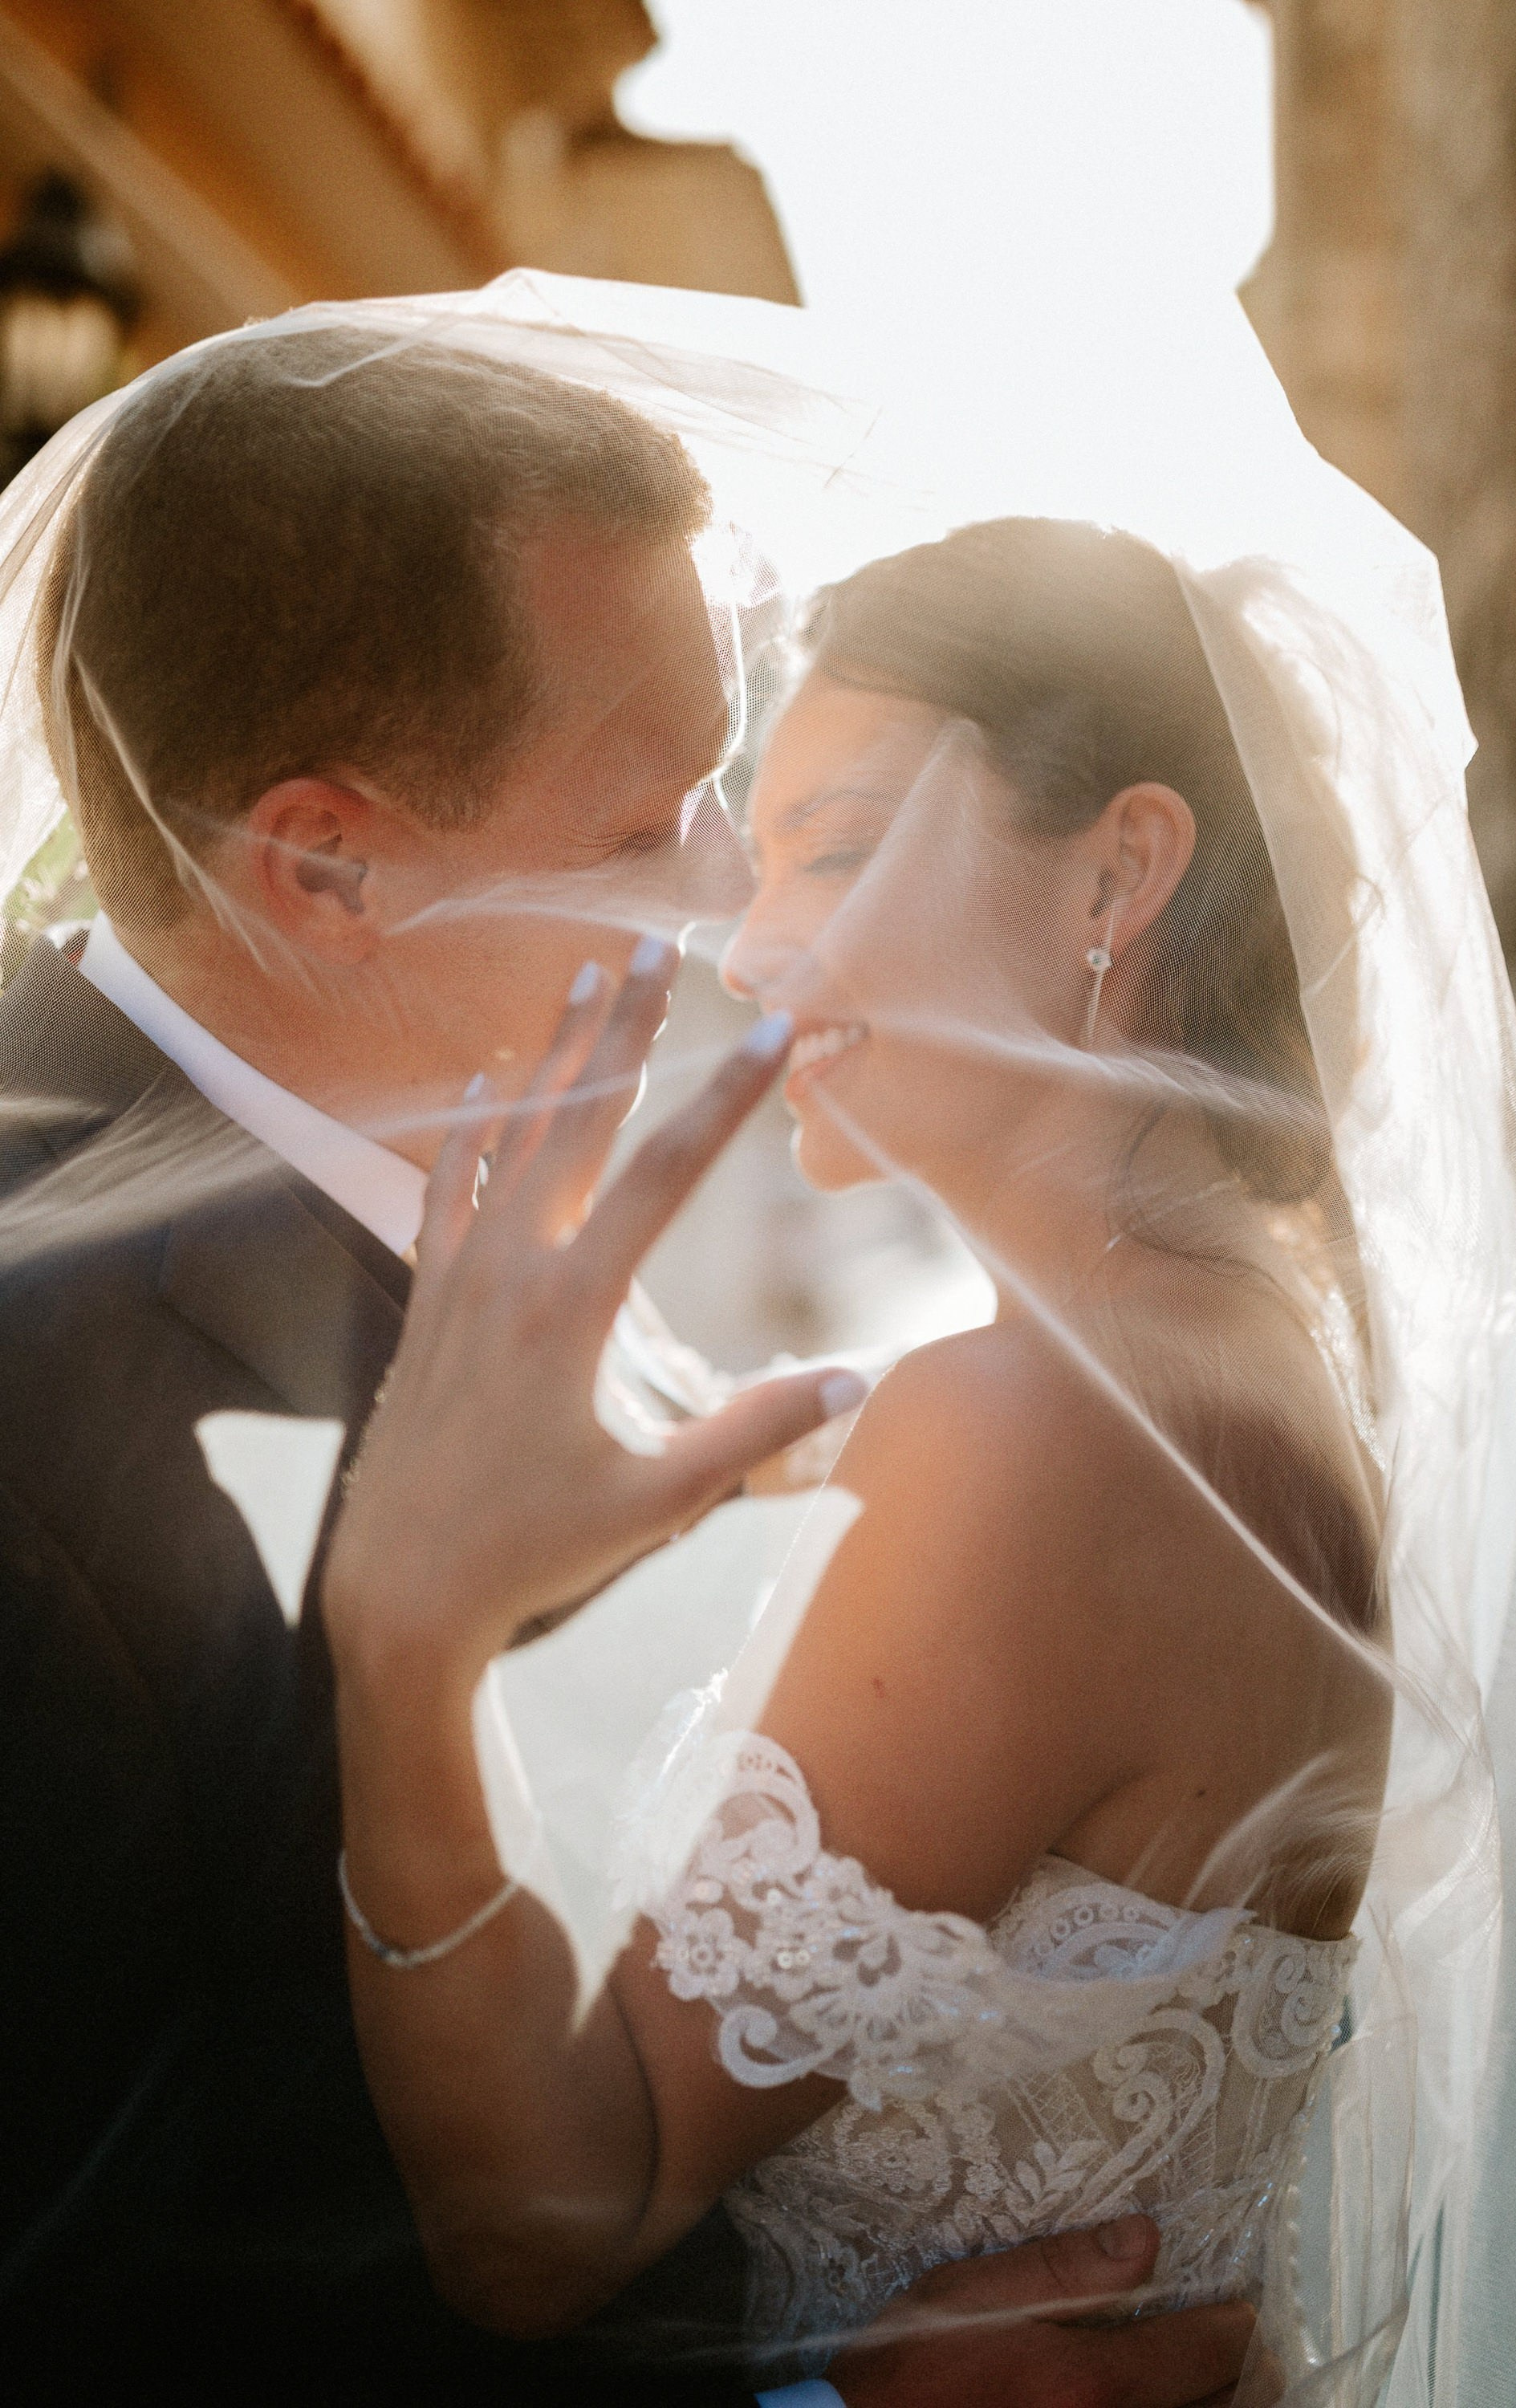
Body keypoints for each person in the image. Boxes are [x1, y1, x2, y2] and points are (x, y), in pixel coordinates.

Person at [0, 319, 1268, 2408]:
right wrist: (818, 2392)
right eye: (645, 817)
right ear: (325, 864)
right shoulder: (41, 1434)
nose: (718, 895)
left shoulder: (467, 1157)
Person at [319, 518, 1391, 2389]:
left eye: (831, 843)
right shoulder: (1262, 1364)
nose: (750, 939)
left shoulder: (1032, 1427)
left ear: (1119, 872)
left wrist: (404, 1637)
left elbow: (543, 2226)